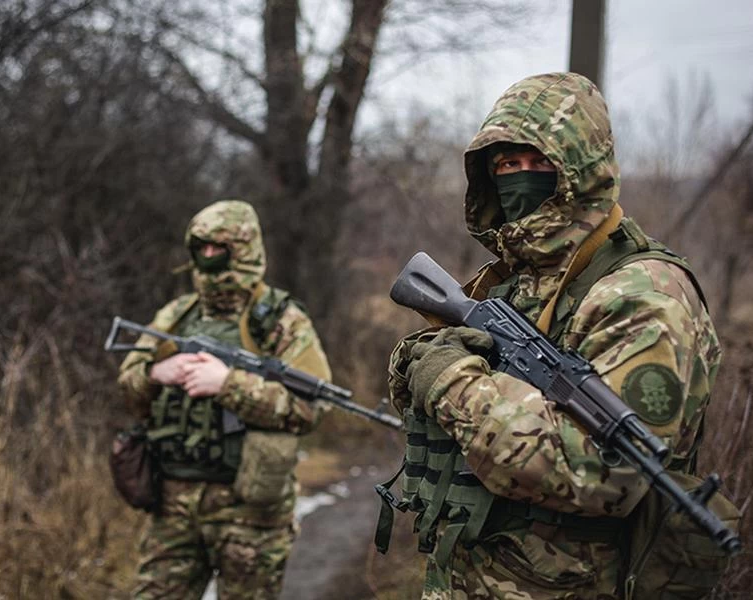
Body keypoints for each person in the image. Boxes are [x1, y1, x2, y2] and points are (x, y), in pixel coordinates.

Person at [386, 72, 722, 599]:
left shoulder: (644, 296)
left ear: (581, 168)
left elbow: (604, 473)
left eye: (540, 163)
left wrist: (451, 381)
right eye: (507, 165)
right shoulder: (514, 279)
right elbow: (423, 387)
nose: (522, 179)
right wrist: (423, 363)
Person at [117, 199, 331, 599]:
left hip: (250, 510)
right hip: (173, 505)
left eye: (221, 248)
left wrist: (228, 384)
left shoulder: (280, 321)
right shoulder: (177, 315)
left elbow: (311, 407)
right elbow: (129, 389)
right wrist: (155, 374)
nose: (210, 256)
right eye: (202, 247)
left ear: (245, 250)